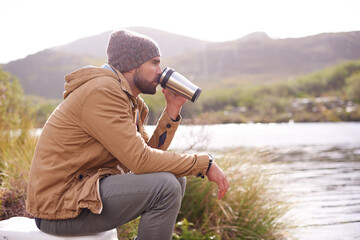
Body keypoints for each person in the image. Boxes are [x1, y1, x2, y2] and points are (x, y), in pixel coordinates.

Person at [26, 29, 229, 239]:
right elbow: (141, 161)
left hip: (82, 193)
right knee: (165, 187)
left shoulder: (129, 100)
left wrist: (172, 110)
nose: (161, 71)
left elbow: (148, 158)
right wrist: (204, 163)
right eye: (154, 62)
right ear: (132, 65)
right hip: (59, 208)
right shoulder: (103, 92)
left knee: (175, 179)